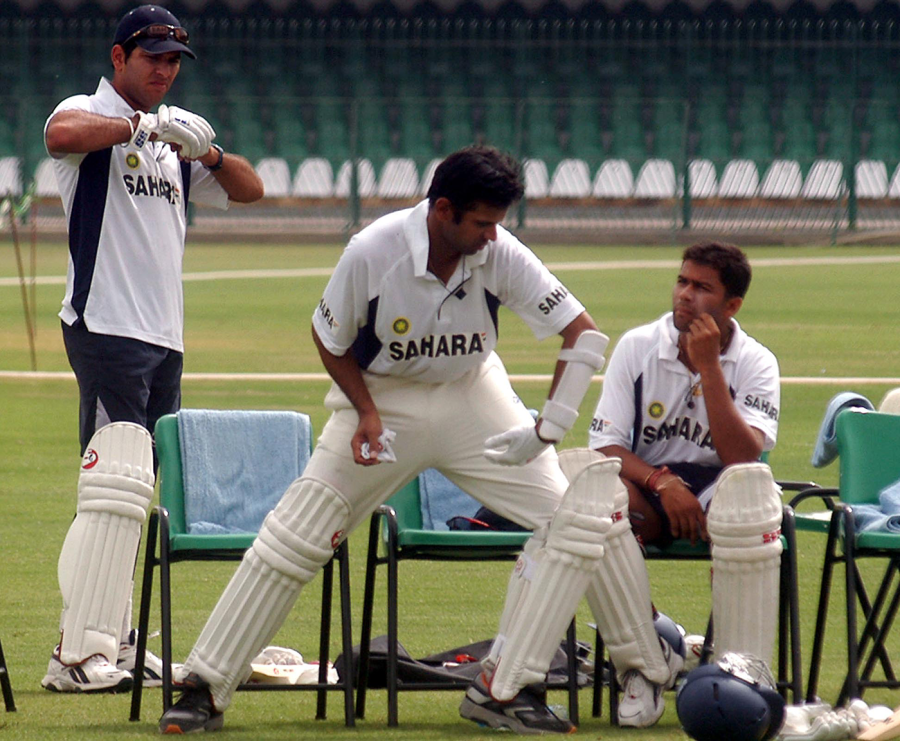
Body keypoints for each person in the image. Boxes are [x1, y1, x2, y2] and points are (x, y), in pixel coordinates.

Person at [158, 146, 615, 735]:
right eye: (481, 223)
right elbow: (330, 338)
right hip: (382, 399)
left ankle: (505, 688)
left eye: (498, 224)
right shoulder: (373, 251)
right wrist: (367, 413)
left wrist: (546, 429)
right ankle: (204, 686)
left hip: (473, 395)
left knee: (572, 522)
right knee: (295, 536)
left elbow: (582, 334)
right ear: (443, 210)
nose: (491, 237)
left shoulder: (499, 250)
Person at [41, 4, 264, 694]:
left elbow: (250, 190)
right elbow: (59, 133)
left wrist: (211, 153)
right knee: (110, 487)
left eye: (173, 61)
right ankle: (77, 654)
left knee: (137, 491)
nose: (164, 71)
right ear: (119, 59)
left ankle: (116, 640)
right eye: (152, 58)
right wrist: (141, 125)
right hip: (107, 327)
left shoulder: (173, 141)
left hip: (163, 335)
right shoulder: (91, 114)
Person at [584, 242, 782, 727]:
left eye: (702, 288)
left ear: (731, 306)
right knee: (593, 499)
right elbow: (606, 446)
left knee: (751, 500)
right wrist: (663, 481)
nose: (685, 295)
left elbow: (743, 456)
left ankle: (737, 676)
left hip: (720, 487)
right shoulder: (637, 346)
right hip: (648, 485)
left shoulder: (756, 362)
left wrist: (710, 366)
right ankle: (645, 663)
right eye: (683, 282)